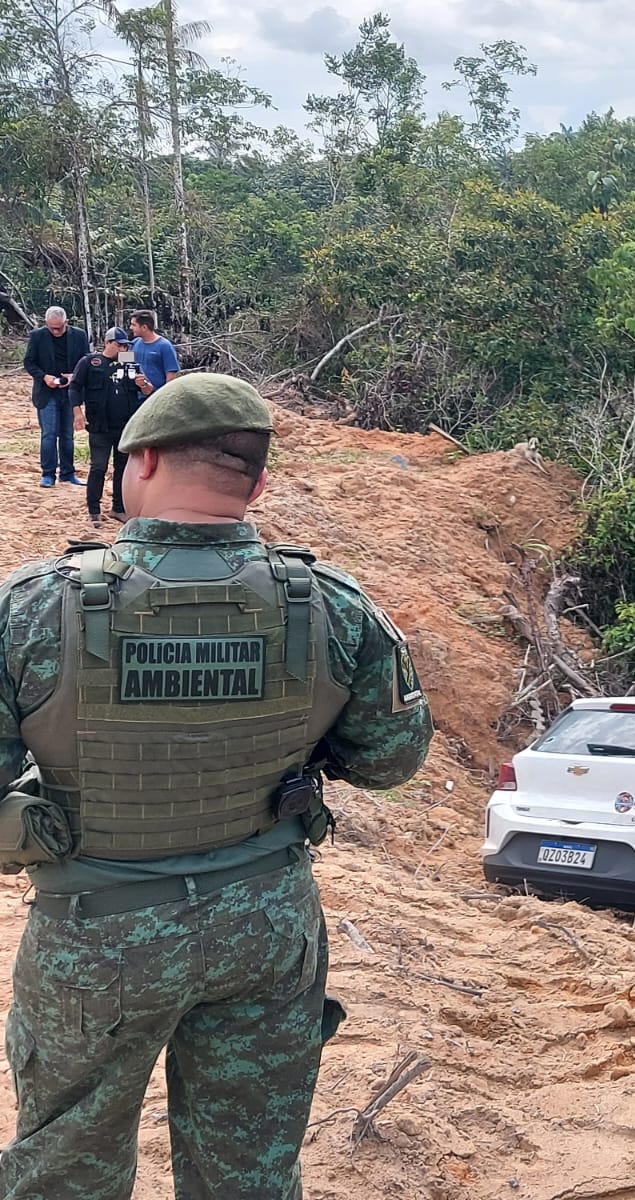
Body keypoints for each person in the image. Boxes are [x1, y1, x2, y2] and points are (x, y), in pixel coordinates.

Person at [0, 372, 434, 1199]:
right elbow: (390, 761)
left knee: (64, 1171)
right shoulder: (333, 606)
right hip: (266, 926)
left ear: (144, 461)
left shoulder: (29, 607)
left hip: (97, 937)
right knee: (249, 1175)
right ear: (258, 481)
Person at [67, 326, 144, 526]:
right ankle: (94, 509)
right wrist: (77, 412)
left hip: (124, 425)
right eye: (120, 345)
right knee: (99, 467)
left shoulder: (128, 361)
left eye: (126, 345)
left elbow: (141, 386)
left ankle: (119, 508)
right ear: (108, 343)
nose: (123, 349)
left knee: (123, 468)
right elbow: (75, 387)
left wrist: (145, 385)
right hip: (100, 425)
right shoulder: (90, 362)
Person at [21, 305, 89, 488]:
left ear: (66, 322)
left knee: (67, 435)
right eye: (52, 328)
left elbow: (86, 360)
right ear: (46, 324)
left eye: (59, 328)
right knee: (49, 435)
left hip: (70, 392)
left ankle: (68, 473)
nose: (56, 332)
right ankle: (48, 473)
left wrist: (74, 376)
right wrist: (44, 377)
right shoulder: (37, 336)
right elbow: (29, 362)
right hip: (46, 392)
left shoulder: (79, 335)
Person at [128, 309, 181, 394]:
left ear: (144, 327)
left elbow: (171, 376)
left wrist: (166, 397)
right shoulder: (134, 343)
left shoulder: (165, 346)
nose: (131, 328)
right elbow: (123, 362)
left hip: (156, 396)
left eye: (134, 325)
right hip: (136, 397)